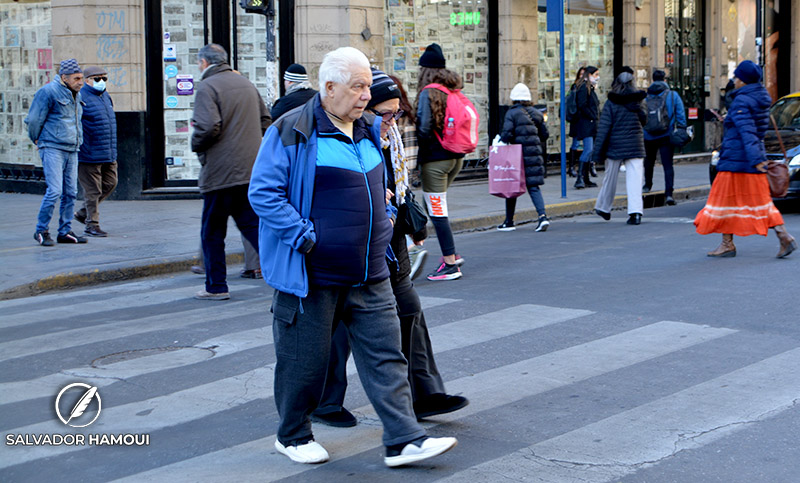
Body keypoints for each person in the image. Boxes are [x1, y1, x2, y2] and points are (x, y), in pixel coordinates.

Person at [247, 46, 457, 467]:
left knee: (386, 356)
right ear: (329, 87)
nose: (366, 95)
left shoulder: (367, 130)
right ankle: (292, 435)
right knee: (304, 362)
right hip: (313, 272)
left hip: (370, 269)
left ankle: (403, 439)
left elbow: (379, 187)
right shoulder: (292, 130)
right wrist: (306, 238)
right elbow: (264, 194)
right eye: (357, 86)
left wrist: (387, 216)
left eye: (367, 86)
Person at [310, 69, 468, 430]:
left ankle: (423, 393)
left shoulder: (388, 137)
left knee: (408, 308)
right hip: (352, 244)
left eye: (396, 113)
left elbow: (401, 181)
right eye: (384, 114)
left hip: (389, 236)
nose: (391, 122)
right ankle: (322, 400)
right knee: (337, 324)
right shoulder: (343, 138)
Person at [191, 43, 271, 300]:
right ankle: (283, 273)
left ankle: (216, 286)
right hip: (249, 171)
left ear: (204, 63)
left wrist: (196, 145)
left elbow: (207, 126)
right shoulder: (246, 84)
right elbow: (265, 121)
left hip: (220, 172)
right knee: (253, 226)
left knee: (212, 231)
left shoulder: (207, 86)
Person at [694, 60, 797, 258]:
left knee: (723, 201)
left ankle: (727, 244)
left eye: (737, 77)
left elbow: (747, 130)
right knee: (762, 201)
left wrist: (755, 158)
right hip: (751, 158)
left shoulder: (742, 101)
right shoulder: (759, 98)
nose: (735, 80)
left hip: (737, 160)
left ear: (744, 80)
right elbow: (754, 130)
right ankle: (783, 236)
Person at [416, 43, 467, 280]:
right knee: (434, 207)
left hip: (435, 160)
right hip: (455, 158)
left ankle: (450, 264)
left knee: (437, 212)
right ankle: (452, 255)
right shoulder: (452, 89)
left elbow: (424, 129)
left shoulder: (428, 92)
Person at [26, 58, 88, 246]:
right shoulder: (48, 92)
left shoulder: (76, 94)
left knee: (71, 192)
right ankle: (41, 230)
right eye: (76, 78)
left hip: (72, 148)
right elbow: (34, 119)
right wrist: (37, 139)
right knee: (54, 191)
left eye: (81, 78)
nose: (81, 82)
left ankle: (65, 231)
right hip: (52, 146)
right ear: (64, 77)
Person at [592, 71, 647, 225]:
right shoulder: (638, 101)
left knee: (610, 178)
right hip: (635, 144)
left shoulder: (611, 102)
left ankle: (604, 207)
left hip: (615, 145)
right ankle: (635, 213)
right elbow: (644, 121)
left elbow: (604, 128)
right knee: (635, 179)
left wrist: (597, 153)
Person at [497, 83, 551, 232]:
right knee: (533, 186)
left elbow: (507, 134)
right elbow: (544, 135)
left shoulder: (512, 113)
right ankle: (542, 217)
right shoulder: (537, 113)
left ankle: (509, 221)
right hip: (533, 153)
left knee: (510, 186)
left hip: (516, 155)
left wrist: (501, 141)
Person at [388, 73, 427, 280]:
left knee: (397, 214)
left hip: (398, 177)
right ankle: (410, 250)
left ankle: (411, 250)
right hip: (401, 176)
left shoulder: (397, 118)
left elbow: (407, 152)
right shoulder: (406, 116)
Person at [73, 66, 118, 237]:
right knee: (93, 191)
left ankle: (83, 213)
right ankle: (92, 224)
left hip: (108, 151)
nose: (101, 82)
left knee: (110, 183)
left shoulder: (105, 96)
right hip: (89, 152)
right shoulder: (80, 97)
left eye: (104, 79)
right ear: (87, 80)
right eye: (97, 79)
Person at [642, 69, 686, 205]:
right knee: (668, 164)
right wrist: (682, 129)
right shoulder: (672, 95)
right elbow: (680, 114)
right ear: (665, 80)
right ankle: (668, 194)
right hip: (666, 134)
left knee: (648, 162)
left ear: (653, 80)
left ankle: (647, 185)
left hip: (648, 134)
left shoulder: (646, 96)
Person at [573, 66, 600, 189]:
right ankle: (580, 177)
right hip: (586, 123)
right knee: (588, 150)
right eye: (595, 74)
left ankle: (586, 178)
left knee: (590, 151)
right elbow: (583, 105)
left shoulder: (589, 88)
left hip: (590, 123)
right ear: (589, 75)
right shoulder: (584, 87)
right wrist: (593, 115)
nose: (597, 77)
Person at [567, 67, 586, 177]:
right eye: (581, 74)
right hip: (577, 119)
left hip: (582, 119)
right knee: (576, 143)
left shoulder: (587, 87)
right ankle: (572, 166)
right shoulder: (576, 87)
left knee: (586, 145)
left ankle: (585, 167)